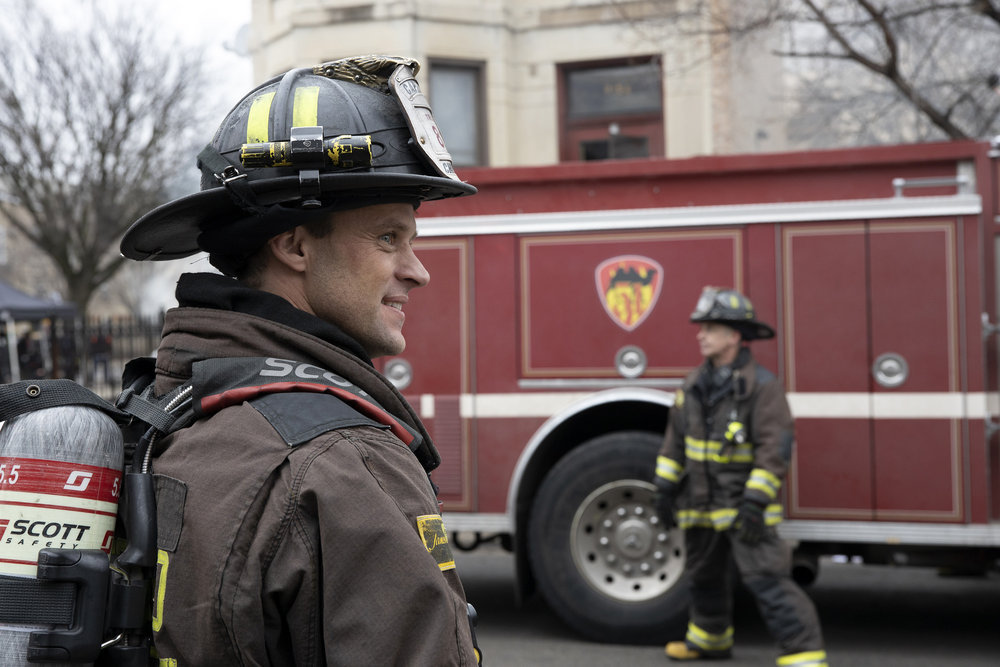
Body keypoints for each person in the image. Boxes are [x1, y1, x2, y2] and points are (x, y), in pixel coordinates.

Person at [118, 56, 481, 665]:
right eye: (388, 238)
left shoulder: (163, 411)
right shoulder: (342, 462)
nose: (417, 271)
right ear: (293, 244)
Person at [653, 287, 828, 666]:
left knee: (768, 580)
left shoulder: (763, 388)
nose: (701, 335)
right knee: (703, 577)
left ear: (734, 336)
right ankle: (709, 639)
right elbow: (675, 443)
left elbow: (774, 450)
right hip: (700, 504)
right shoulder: (692, 385)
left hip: (744, 507)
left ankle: (804, 655)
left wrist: (754, 502)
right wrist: (664, 489)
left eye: (711, 328)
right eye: (701, 328)